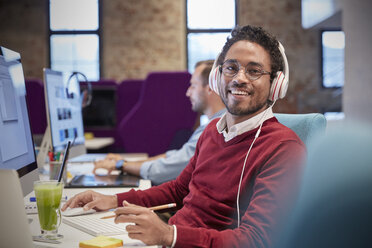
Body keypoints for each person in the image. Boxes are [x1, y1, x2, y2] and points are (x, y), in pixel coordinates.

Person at [63, 25, 306, 247]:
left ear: (276, 84)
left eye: (254, 71)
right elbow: (178, 190)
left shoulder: (283, 149)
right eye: (231, 68)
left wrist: (171, 235)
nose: (239, 78)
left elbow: (256, 240)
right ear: (217, 77)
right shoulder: (213, 131)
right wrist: (114, 199)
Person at [93, 60, 226, 185]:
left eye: (193, 85)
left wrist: (121, 165)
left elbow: (165, 170)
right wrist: (125, 163)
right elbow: (175, 157)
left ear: (210, 88)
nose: (187, 92)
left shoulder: (216, 129)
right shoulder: (212, 125)